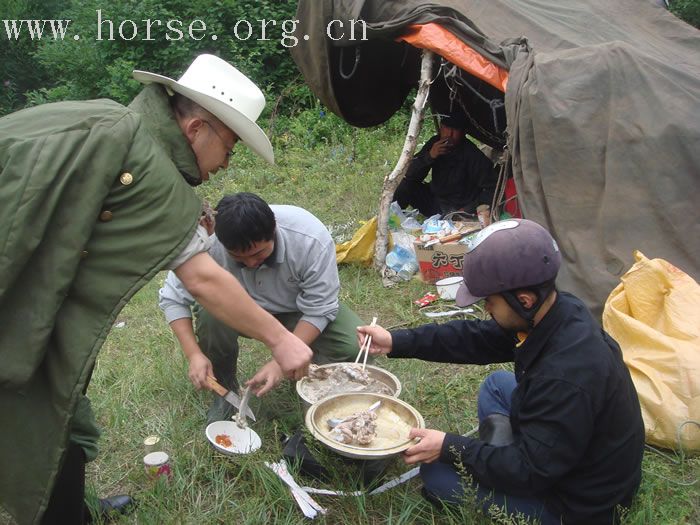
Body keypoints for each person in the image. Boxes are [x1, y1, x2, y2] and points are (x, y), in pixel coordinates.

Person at [0, 54, 313, 525]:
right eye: (229, 147)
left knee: (62, 407)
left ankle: (72, 507)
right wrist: (281, 339)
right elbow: (202, 278)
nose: (226, 163)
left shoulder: (114, 126)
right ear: (196, 131)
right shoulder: (144, 161)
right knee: (36, 413)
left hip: (32, 298)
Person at [358, 219, 645, 524]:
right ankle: (498, 460)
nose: (486, 310)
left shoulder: (564, 376)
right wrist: (396, 341)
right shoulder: (557, 311)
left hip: (580, 503)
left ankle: (499, 468)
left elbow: (531, 471)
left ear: (524, 299)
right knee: (497, 385)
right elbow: (477, 338)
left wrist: (449, 447)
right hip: (569, 450)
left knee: (438, 475)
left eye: (489, 302)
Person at [159, 192, 364, 419]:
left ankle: (312, 385)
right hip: (240, 313)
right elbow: (172, 298)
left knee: (352, 344)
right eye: (238, 257)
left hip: (295, 310)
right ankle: (224, 389)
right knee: (209, 314)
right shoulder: (208, 243)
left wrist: (279, 363)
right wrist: (194, 354)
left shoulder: (309, 238)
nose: (250, 263)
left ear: (274, 230)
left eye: (258, 253)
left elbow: (320, 307)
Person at [394, 109, 497, 217]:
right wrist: (430, 156)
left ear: (463, 132)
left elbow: (493, 188)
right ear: (441, 127)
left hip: (458, 208)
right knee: (405, 184)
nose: (449, 134)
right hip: (435, 202)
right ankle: (391, 219)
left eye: (455, 130)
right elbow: (410, 175)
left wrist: (468, 209)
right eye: (447, 128)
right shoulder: (435, 143)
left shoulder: (472, 154)